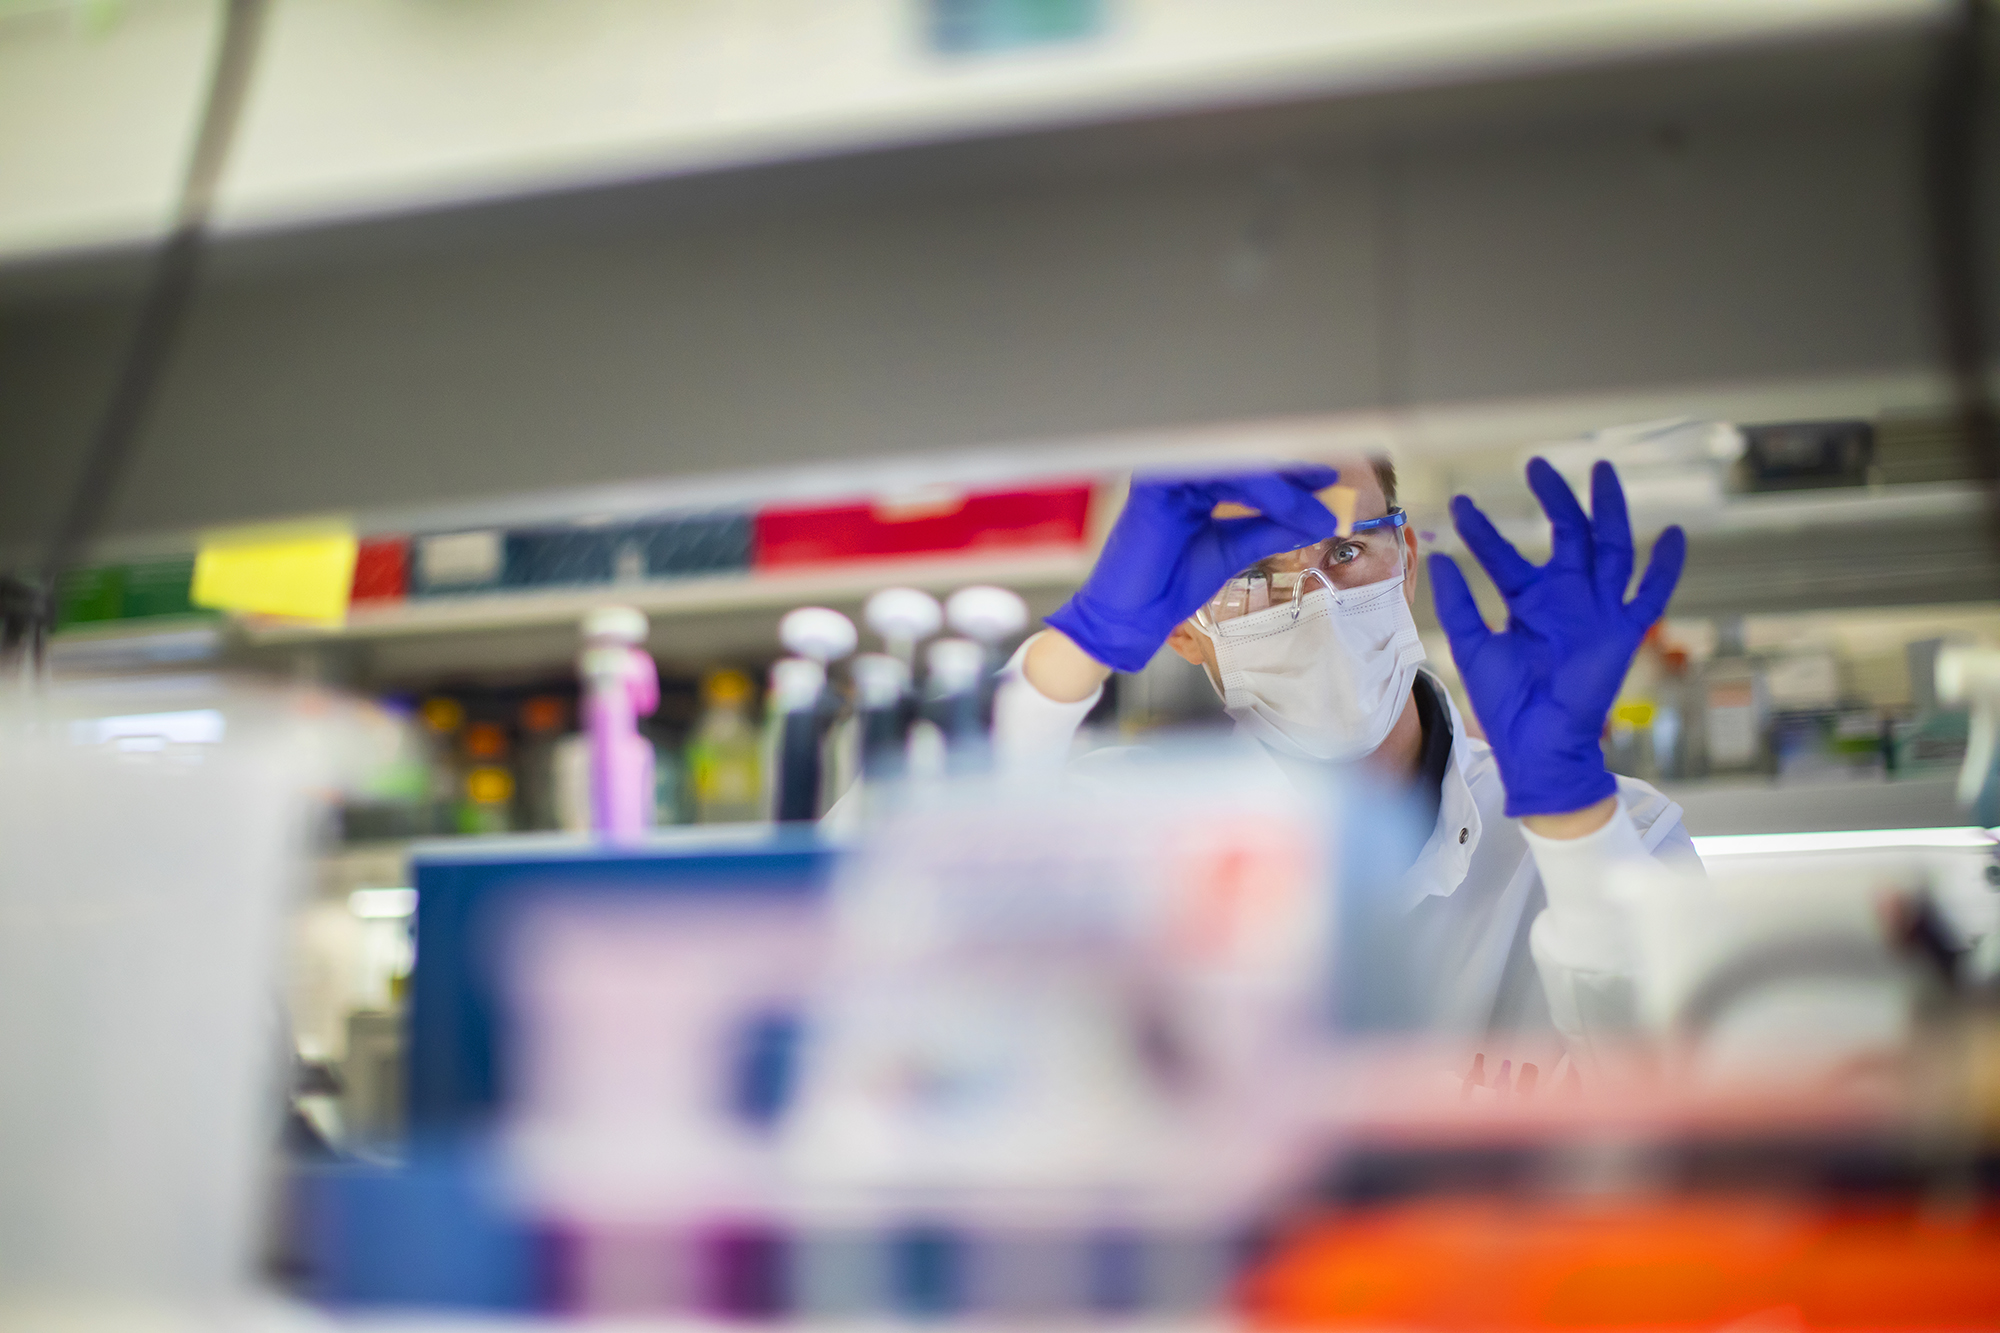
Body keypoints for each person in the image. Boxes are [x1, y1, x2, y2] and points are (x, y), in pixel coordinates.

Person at [994, 455, 1700, 1073]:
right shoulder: (1133, 827)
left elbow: (1691, 1114)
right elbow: (954, 861)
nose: (1319, 605)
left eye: (1344, 553)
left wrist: (1572, 822)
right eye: (1257, 571)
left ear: (1406, 565)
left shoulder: (1626, 836)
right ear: (1182, 626)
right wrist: (1080, 645)